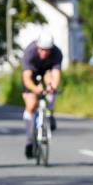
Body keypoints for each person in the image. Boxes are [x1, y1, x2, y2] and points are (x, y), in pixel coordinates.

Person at [21, 31, 63, 159]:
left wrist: (53, 87)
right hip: (32, 74)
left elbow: (56, 74)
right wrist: (35, 88)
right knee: (32, 104)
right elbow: (27, 78)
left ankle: (49, 113)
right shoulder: (30, 52)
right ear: (38, 47)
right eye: (42, 50)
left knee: (50, 82)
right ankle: (29, 140)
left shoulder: (56, 53)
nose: (45, 53)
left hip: (47, 71)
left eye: (48, 50)